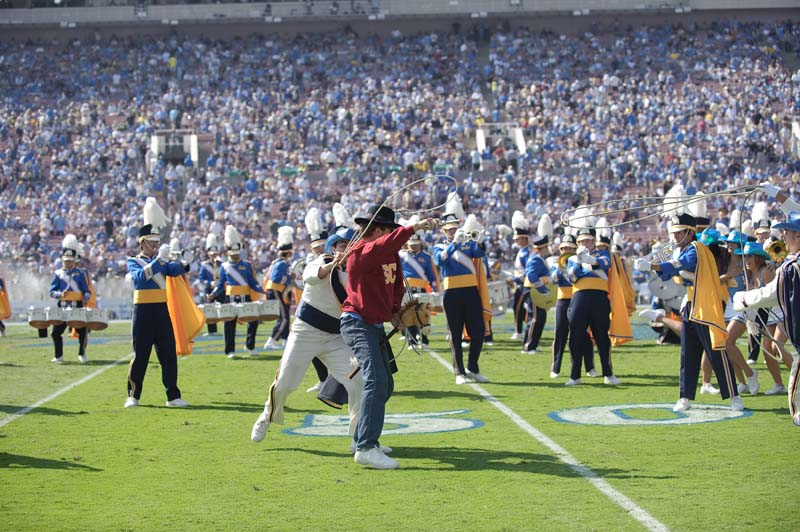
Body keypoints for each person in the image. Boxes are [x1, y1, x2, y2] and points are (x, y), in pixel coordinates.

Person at [251, 225, 364, 448]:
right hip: (306, 331)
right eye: (343, 245)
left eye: (351, 245)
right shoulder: (319, 261)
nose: (348, 249)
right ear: (333, 248)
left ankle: (358, 437)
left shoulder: (356, 272)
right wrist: (334, 263)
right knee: (285, 381)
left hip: (335, 336)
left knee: (358, 381)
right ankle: (266, 416)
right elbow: (313, 278)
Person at [341, 204, 435, 469]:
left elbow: (396, 286)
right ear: (379, 230)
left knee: (386, 384)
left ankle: (363, 438)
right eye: (388, 230)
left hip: (374, 325)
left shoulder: (390, 255)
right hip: (356, 322)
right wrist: (414, 227)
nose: (393, 236)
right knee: (376, 380)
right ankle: (366, 447)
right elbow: (381, 247)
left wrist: (396, 312)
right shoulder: (360, 252)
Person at [635, 213, 741, 411]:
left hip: (705, 305)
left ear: (689, 233)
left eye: (679, 233)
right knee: (688, 353)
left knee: (715, 351)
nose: (674, 236)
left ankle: (734, 395)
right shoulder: (684, 249)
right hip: (692, 304)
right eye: (673, 232)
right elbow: (675, 272)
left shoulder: (695, 249)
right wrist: (654, 263)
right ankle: (685, 396)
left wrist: (651, 265)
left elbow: (679, 266)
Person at [734, 184, 800, 425]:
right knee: (771, 349)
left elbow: (776, 280)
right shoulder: (769, 246)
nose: (764, 235)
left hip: (781, 306)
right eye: (760, 232)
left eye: (765, 232)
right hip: (779, 305)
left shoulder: (781, 253)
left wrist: (742, 299)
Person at [125, 197, 190, 408]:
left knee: (168, 353)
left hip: (161, 310)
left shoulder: (162, 261)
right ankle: (133, 395)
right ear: (142, 242)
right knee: (141, 355)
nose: (155, 245)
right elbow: (139, 279)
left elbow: (174, 271)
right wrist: (158, 260)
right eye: (152, 242)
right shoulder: (133, 261)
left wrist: (185, 262)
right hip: (142, 312)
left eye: (157, 242)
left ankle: (173, 396)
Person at [433, 199, 487, 385]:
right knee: (455, 333)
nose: (452, 231)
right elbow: (440, 261)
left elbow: (480, 253)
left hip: (470, 291)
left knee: (478, 331)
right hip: (452, 293)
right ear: (444, 231)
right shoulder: (439, 246)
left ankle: (473, 366)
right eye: (449, 229)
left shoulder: (467, 244)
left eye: (455, 228)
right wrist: (453, 243)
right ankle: (459, 372)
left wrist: (480, 241)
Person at [565, 224, 619, 386]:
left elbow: (604, 265)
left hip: (599, 299)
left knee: (602, 336)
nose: (584, 244)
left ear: (593, 241)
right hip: (579, 299)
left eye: (588, 241)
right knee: (575, 336)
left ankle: (608, 373)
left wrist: (589, 261)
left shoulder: (603, 253)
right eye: (581, 241)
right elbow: (572, 277)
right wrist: (584, 264)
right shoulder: (572, 258)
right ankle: (575, 376)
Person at [208, 225, 264, 358]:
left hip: (246, 295)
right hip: (230, 297)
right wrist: (213, 294)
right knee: (229, 324)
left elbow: (252, 282)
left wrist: (260, 290)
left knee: (253, 320)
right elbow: (221, 284)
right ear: (228, 253)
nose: (235, 256)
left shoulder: (247, 265)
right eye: (233, 254)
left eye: (237, 254)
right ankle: (230, 350)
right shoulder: (224, 266)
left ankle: (250, 346)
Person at [49, 234, 91, 364]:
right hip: (62, 305)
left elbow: (86, 290)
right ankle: (58, 356)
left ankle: (82, 354)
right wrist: (60, 294)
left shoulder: (81, 273)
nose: (68, 263)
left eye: (70, 260)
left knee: (82, 331)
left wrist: (86, 297)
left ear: (74, 260)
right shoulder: (58, 274)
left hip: (77, 305)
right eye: (66, 261)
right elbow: (51, 292)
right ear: (62, 261)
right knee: (56, 333)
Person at [399, 231, 439, 346]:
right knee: (408, 315)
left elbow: (431, 275)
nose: (414, 246)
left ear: (420, 243)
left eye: (416, 244)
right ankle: (412, 341)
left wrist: (435, 288)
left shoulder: (426, 257)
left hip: (421, 289)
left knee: (424, 314)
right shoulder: (401, 256)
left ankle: (425, 339)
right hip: (406, 289)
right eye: (412, 244)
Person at [521, 226, 552, 354]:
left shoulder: (538, 258)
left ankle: (533, 345)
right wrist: (543, 289)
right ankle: (528, 346)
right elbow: (531, 275)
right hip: (534, 291)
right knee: (534, 319)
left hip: (537, 291)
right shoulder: (535, 259)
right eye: (546, 247)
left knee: (540, 318)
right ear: (542, 248)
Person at [263, 226, 294, 350]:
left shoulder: (280, 262)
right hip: (277, 290)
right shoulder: (281, 263)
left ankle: (285, 340)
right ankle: (271, 340)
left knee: (285, 315)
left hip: (281, 291)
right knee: (284, 317)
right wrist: (289, 278)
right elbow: (276, 278)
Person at [510, 211, 531, 341]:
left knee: (518, 307)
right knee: (518, 307)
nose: (516, 240)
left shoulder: (527, 252)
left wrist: (516, 279)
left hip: (524, 283)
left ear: (524, 238)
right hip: (520, 283)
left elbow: (528, 270)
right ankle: (520, 331)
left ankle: (519, 332)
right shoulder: (522, 251)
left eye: (518, 238)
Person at [198, 233, 223, 336]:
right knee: (210, 309)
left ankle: (227, 328)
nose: (213, 256)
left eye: (215, 254)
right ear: (208, 254)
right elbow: (201, 278)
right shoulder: (204, 265)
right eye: (211, 254)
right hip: (209, 289)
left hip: (220, 289)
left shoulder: (221, 264)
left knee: (224, 308)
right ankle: (212, 330)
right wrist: (209, 283)